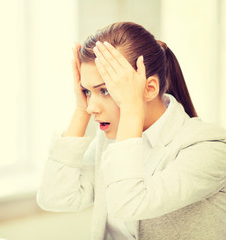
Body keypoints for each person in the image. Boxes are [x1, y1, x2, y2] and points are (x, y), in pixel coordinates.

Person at [36, 22, 226, 240]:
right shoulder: (110, 141)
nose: (91, 107)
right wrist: (80, 111)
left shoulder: (209, 148)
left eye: (105, 90)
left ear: (149, 88)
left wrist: (131, 110)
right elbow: (54, 197)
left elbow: (127, 204)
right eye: (87, 91)